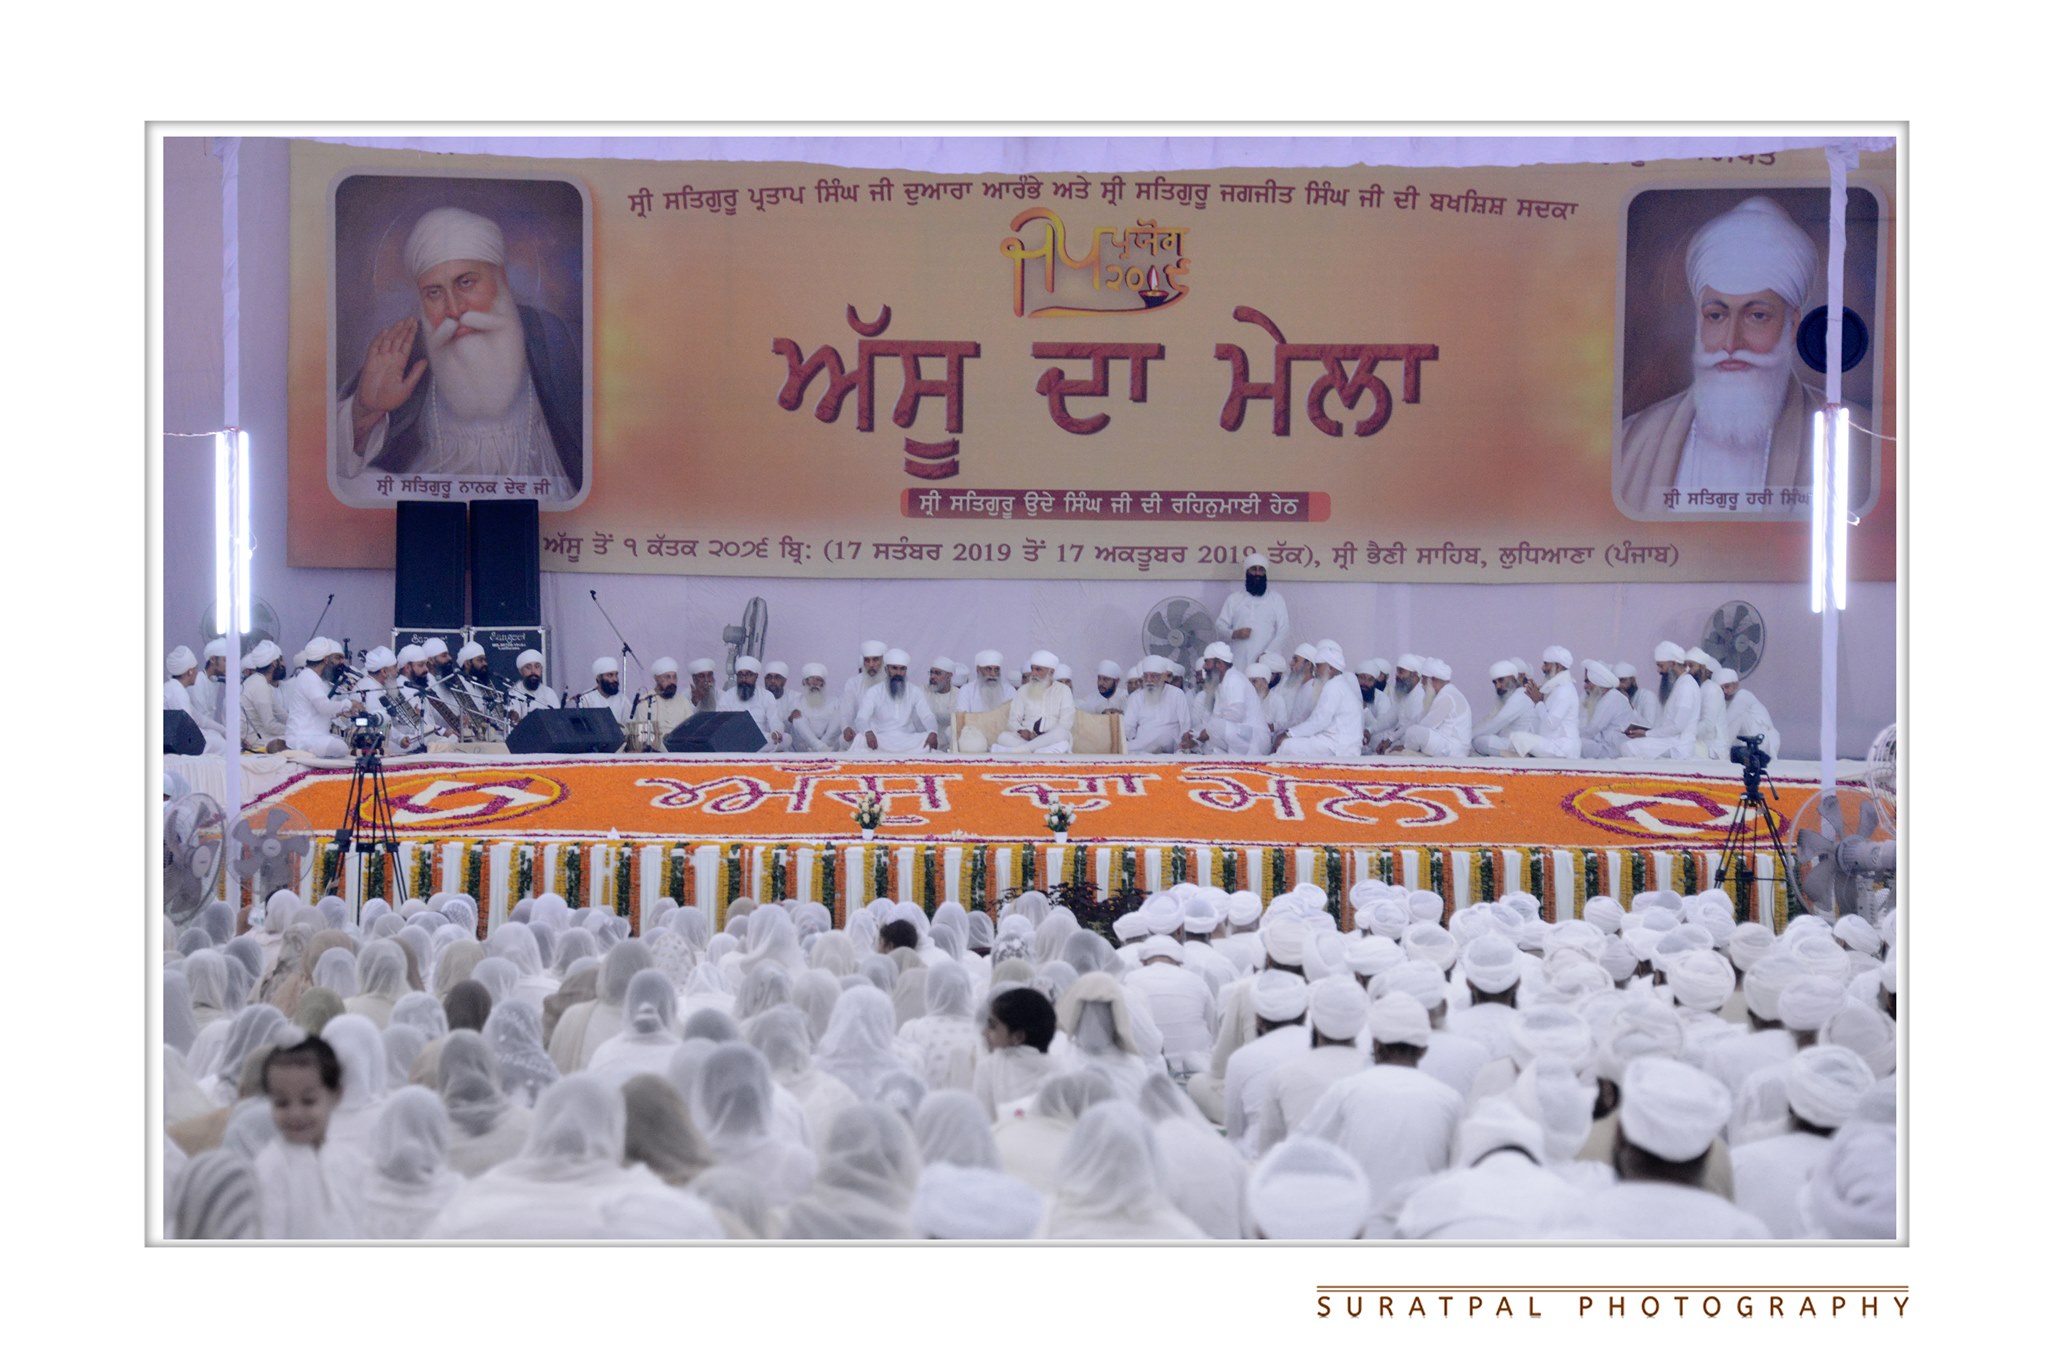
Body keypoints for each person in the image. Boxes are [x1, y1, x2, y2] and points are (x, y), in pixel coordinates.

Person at [1616, 195, 1867, 518]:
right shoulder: (1633, 442)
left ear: (1793, 325)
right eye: (1716, 316)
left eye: (1757, 315)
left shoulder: (1857, 439)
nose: (1731, 342)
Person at [334, 205, 582, 493]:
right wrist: (365, 411)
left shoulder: (557, 340)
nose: (453, 309)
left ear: (501, 279)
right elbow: (332, 468)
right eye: (434, 293)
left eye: (466, 282)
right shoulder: (406, 354)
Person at [254, 1035, 361, 1238]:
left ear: (336, 1095)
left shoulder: (348, 1158)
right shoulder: (270, 1168)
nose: (295, 1113)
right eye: (282, 1103)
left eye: (308, 1101)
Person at [1274, 644, 1365, 757]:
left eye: (1318, 666)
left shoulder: (1334, 687)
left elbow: (1319, 721)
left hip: (1339, 746)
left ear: (1331, 669)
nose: (1315, 671)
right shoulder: (1336, 684)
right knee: (1290, 744)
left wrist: (1289, 733)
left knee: (1287, 745)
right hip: (1333, 740)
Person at [282, 637, 363, 758]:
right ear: (326, 660)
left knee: (343, 742)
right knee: (340, 747)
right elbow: (323, 707)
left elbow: (317, 712)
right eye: (336, 658)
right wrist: (349, 704)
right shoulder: (308, 677)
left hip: (315, 736)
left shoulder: (313, 677)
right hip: (303, 738)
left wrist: (340, 712)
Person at [1213, 552, 1292, 672]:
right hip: (1239, 663)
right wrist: (1234, 634)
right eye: (1253, 569)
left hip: (1267, 664)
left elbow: (1284, 630)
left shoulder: (1276, 599)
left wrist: (1267, 654)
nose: (1257, 574)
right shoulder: (1234, 599)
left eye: (1261, 570)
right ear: (1247, 572)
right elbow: (1219, 627)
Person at [850, 650, 940, 753]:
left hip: (907, 739)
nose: (898, 673)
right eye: (894, 668)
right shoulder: (874, 691)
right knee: (861, 739)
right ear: (886, 669)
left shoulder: (914, 691)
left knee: (926, 738)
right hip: (881, 739)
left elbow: (927, 716)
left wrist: (933, 732)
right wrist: (868, 732)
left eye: (902, 669)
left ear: (906, 671)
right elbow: (861, 718)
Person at [1622, 641, 1701, 758]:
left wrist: (1647, 734)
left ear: (1672, 663)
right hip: (1671, 741)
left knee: (1628, 747)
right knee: (1628, 744)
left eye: (1661, 666)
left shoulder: (1686, 686)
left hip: (1679, 745)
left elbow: (1678, 726)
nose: (1658, 670)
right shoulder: (1681, 683)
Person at [1183, 641, 1262, 756]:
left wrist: (1207, 732)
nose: (1204, 667)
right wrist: (1195, 734)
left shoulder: (1234, 679)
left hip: (1253, 738)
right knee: (1207, 740)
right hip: (1238, 736)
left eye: (1207, 662)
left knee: (1214, 728)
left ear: (1219, 664)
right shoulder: (1221, 684)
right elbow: (1216, 717)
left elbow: (1236, 715)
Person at [990, 650, 1076, 754]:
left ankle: (1019, 750)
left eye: (1038, 669)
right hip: (1026, 738)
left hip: (1051, 738)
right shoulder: (1023, 690)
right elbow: (1013, 721)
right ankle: (1039, 751)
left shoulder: (1063, 690)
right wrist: (1022, 731)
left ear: (1051, 672)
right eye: (1032, 669)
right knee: (1003, 737)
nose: (1033, 673)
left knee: (1062, 733)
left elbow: (1066, 723)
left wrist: (1045, 736)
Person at [1398, 658, 1471, 758]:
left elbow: (1426, 725)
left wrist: (1405, 745)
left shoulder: (1446, 697)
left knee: (1413, 731)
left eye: (1423, 678)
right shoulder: (1443, 694)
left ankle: (1409, 751)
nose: (1421, 683)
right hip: (1447, 742)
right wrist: (1391, 738)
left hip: (1453, 748)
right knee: (1412, 730)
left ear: (1433, 679)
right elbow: (1418, 719)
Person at [1119, 656, 1191, 755]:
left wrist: (1184, 745)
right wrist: (1128, 738)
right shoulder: (1136, 697)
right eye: (1146, 676)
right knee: (1123, 747)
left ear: (1164, 676)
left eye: (1154, 676)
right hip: (1142, 744)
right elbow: (1128, 726)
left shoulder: (1177, 694)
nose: (1149, 680)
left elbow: (1185, 724)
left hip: (1169, 744)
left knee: (1165, 739)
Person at [718, 655, 789, 752]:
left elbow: (775, 721)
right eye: (740, 675)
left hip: (762, 739)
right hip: (737, 738)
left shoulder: (766, 696)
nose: (744, 679)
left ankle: (750, 751)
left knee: (787, 738)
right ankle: (756, 751)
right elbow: (721, 725)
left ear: (756, 676)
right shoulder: (727, 697)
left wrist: (776, 732)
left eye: (748, 675)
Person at [1509, 668, 1583, 759]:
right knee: (1517, 738)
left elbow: (1551, 723)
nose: (1542, 668)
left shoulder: (1564, 690)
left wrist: (1538, 702)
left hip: (1563, 748)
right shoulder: (1557, 689)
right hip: (1556, 744)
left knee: (1518, 737)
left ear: (1558, 666)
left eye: (1546, 663)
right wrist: (1539, 700)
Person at [1469, 660, 1536, 756]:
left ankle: (1514, 754)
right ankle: (1508, 754)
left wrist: (1467, 736)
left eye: (1501, 680)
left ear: (1513, 678)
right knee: (1480, 739)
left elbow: (1497, 723)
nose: (1498, 686)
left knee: (1479, 741)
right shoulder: (1514, 695)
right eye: (1495, 683)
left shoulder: (1521, 696)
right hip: (1510, 742)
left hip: (1519, 744)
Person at [1717, 667, 1782, 760]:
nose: (1725, 691)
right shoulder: (1725, 702)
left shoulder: (1743, 695)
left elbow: (1727, 722)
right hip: (1747, 745)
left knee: (1740, 717)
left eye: (1727, 686)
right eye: (1721, 688)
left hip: (1762, 741)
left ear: (1735, 685)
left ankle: (1721, 752)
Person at [239, 640, 289, 752]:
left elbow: (280, 713)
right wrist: (293, 730)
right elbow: (269, 725)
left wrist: (297, 724)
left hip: (262, 735)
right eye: (281, 660)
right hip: (257, 740)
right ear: (274, 663)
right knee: (298, 741)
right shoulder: (260, 685)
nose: (283, 664)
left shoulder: (259, 681)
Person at [1579, 661, 1634, 759]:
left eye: (1588, 681)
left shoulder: (1612, 698)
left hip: (1611, 750)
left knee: (1573, 743)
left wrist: (1573, 735)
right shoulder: (1604, 697)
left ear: (1597, 681)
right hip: (1602, 744)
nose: (1585, 686)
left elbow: (1593, 728)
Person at [788, 664, 842, 753]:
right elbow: (789, 723)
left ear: (823, 683)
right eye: (811, 679)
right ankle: (819, 747)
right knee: (797, 718)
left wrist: (824, 743)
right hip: (804, 747)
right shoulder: (796, 702)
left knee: (840, 714)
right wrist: (791, 717)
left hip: (828, 746)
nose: (815, 683)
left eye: (818, 680)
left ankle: (821, 746)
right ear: (804, 682)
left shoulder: (834, 701)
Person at [1686, 647, 1728, 758]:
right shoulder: (1697, 688)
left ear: (1704, 669)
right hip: (1699, 743)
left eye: (1691, 666)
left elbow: (1707, 726)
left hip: (1712, 747)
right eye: (1686, 666)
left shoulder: (1712, 689)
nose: (1688, 670)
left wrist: (1684, 733)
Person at [576, 656, 631, 725]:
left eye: (616, 675)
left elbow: (630, 726)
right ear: (599, 678)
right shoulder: (586, 699)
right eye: (610, 675)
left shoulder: (623, 700)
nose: (615, 679)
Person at [506, 649, 559, 720]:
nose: (533, 671)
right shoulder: (513, 694)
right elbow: (513, 722)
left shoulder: (549, 693)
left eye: (537, 667)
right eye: (528, 667)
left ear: (541, 670)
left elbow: (557, 719)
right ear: (521, 671)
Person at [923, 659, 959, 751]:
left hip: (949, 747)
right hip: (924, 744)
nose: (932, 677)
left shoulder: (959, 695)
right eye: (931, 673)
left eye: (937, 673)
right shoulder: (921, 691)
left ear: (949, 676)